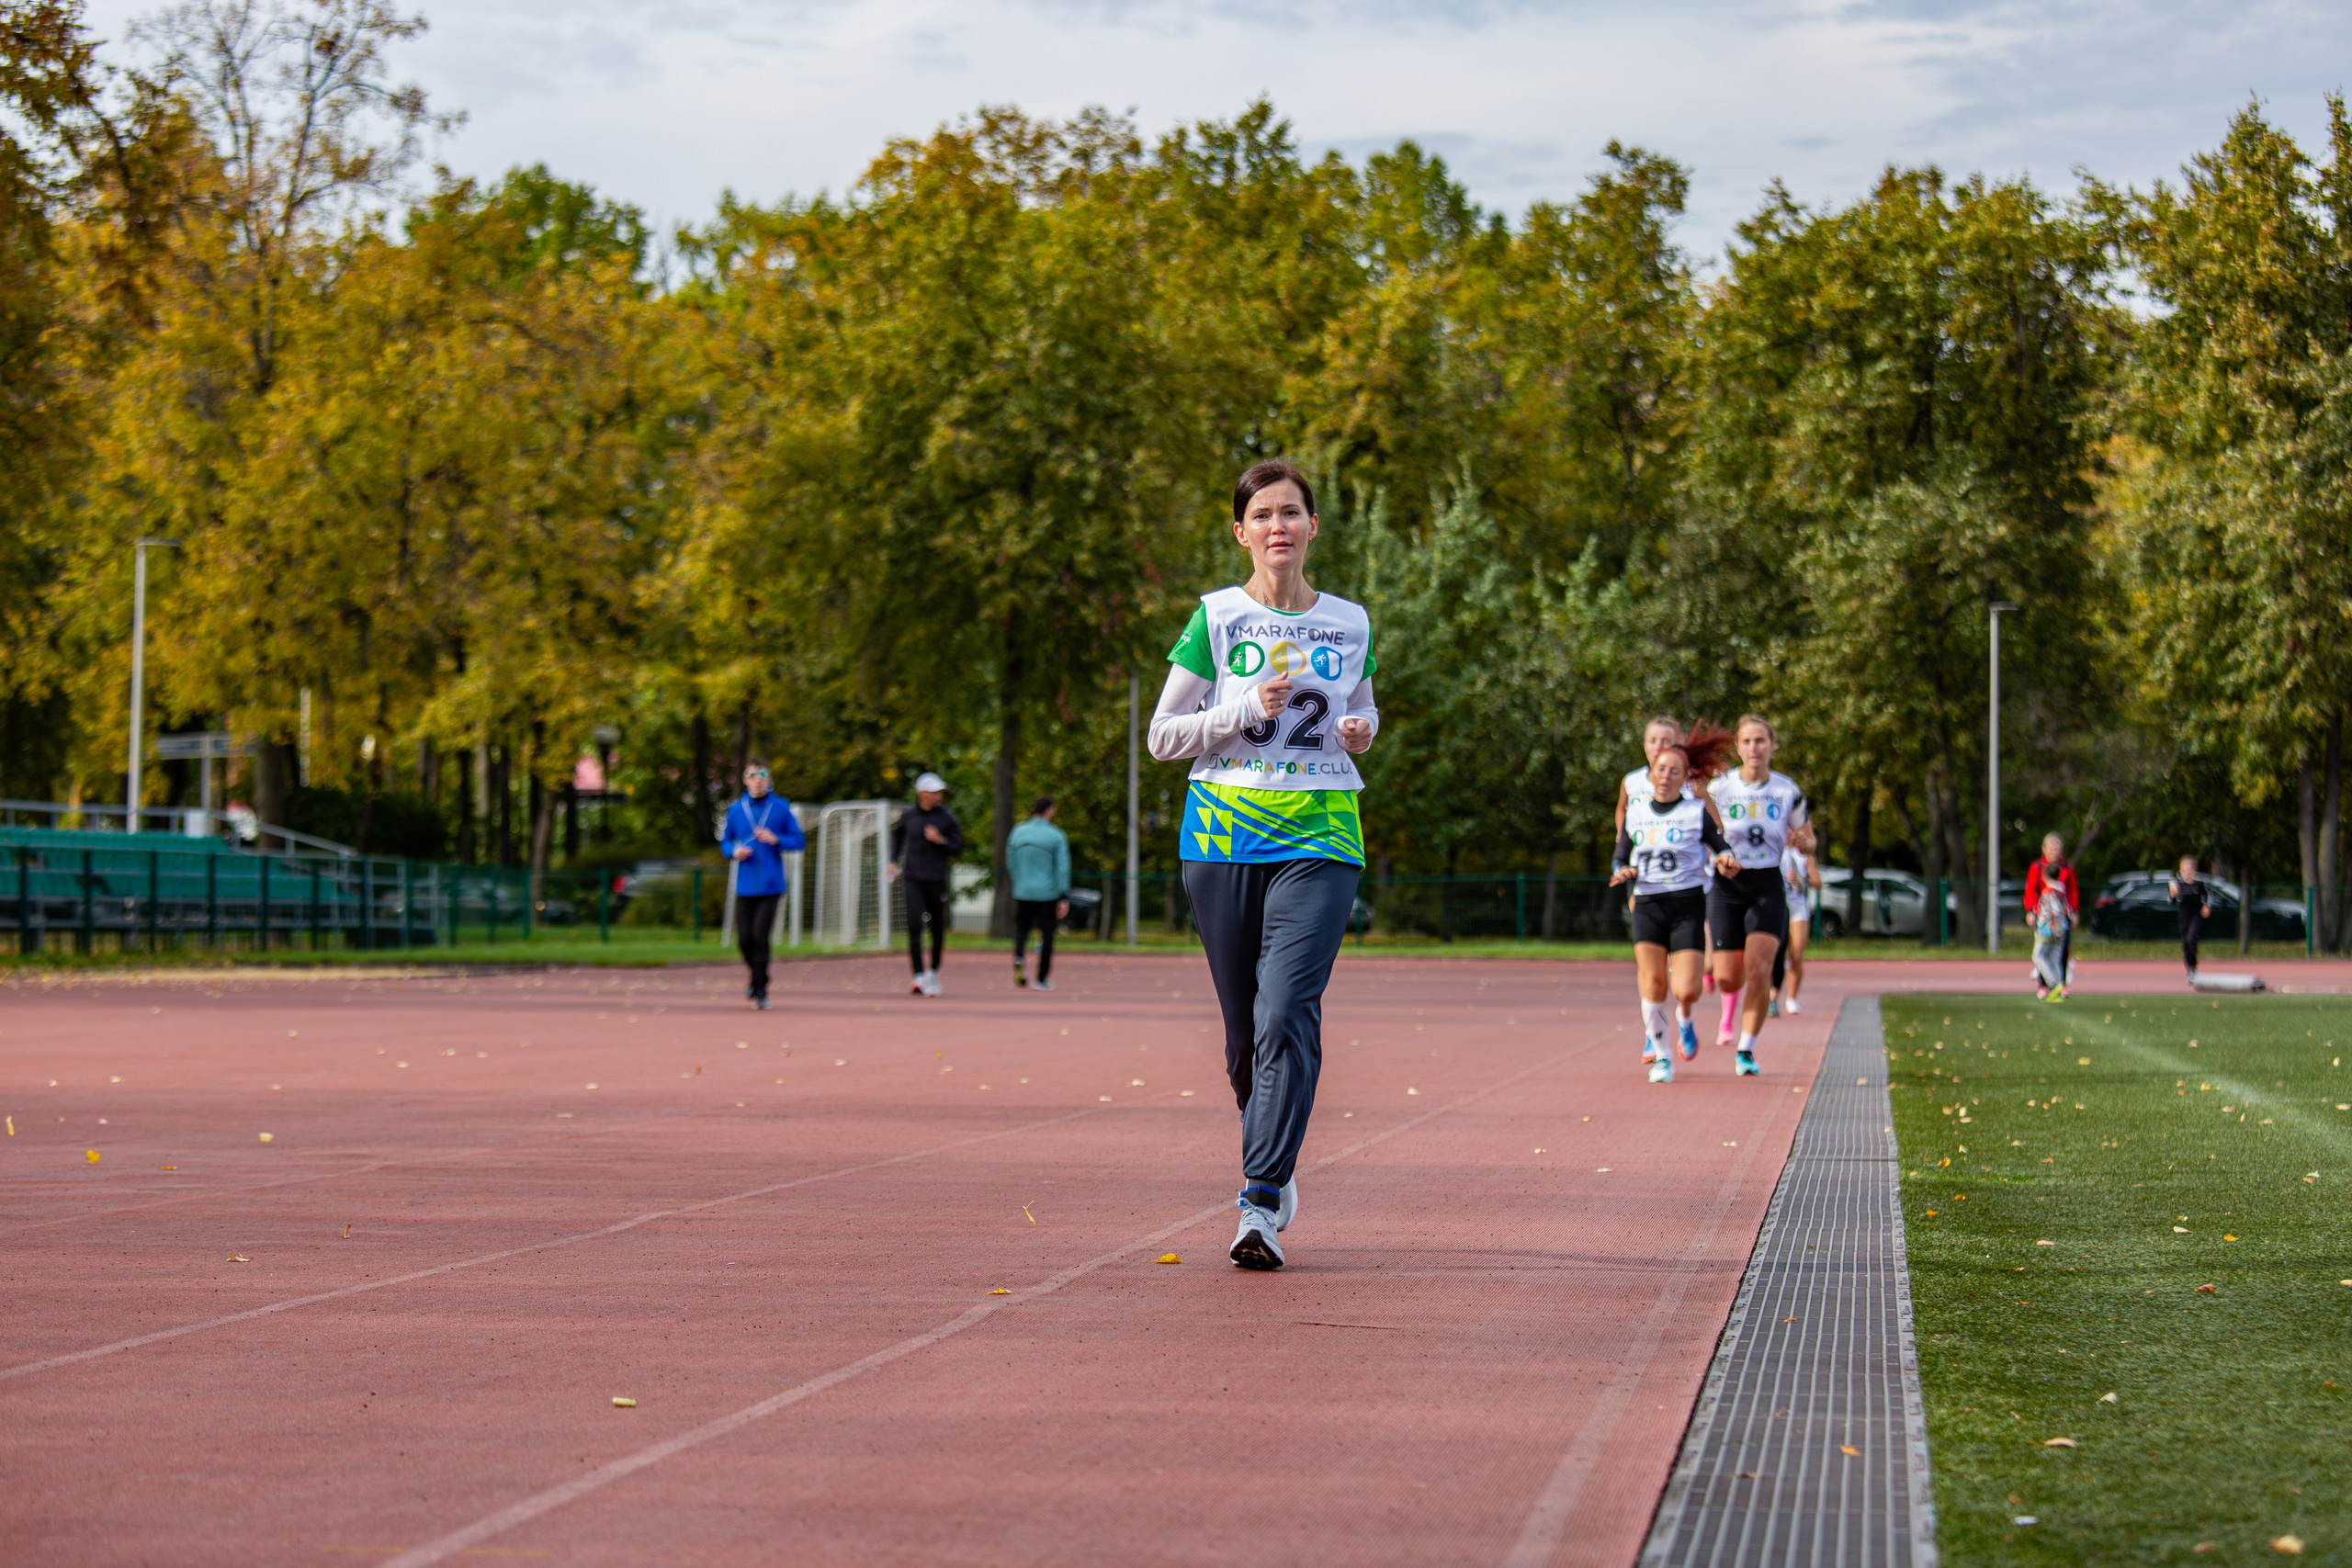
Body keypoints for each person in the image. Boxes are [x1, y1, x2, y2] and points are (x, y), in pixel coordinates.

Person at [1148, 458, 1377, 1272]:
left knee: (1286, 1010)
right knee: (1246, 1037)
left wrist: (1361, 733)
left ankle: (1260, 1199)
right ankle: (1271, 1148)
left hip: (1321, 834)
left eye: (1292, 512)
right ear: (1241, 532)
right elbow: (1163, 736)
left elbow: (1363, 708)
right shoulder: (1216, 617)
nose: (1279, 525)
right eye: (1263, 515)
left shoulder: (1350, 622)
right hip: (1220, 838)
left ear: (1314, 526)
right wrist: (1244, 707)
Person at [1610, 731, 1739, 1083]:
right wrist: (1622, 870)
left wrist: (1726, 858)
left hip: (1687, 906)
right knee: (1652, 983)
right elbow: (1620, 854)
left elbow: (1720, 845)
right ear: (1651, 772)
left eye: (1675, 771)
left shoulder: (1695, 813)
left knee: (1687, 989)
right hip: (1649, 904)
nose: (1666, 775)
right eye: (1661, 768)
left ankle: (1684, 1019)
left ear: (1685, 778)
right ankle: (1662, 1056)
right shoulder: (1636, 812)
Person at [1708, 716, 1811, 1077]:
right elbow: (1701, 832)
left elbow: (1809, 838)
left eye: (1761, 741)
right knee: (1728, 979)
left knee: (1760, 970)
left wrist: (1802, 841)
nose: (1754, 748)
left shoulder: (1787, 790)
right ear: (1738, 747)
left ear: (1773, 745)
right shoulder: (1720, 789)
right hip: (1726, 886)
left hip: (1767, 883)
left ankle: (1746, 1048)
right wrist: (1715, 855)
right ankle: (1722, 987)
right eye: (1747, 741)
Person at [719, 759, 805, 1010]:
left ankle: (760, 990)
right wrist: (734, 851)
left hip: (771, 885)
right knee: (744, 939)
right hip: (744, 885)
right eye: (752, 775)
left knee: (760, 936)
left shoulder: (780, 807)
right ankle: (759, 976)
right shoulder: (736, 810)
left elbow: (798, 841)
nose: (757, 779)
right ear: (745, 779)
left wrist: (777, 839)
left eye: (762, 774)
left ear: (768, 779)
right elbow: (725, 842)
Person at [888, 773, 963, 997]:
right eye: (934, 792)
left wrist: (941, 840)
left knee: (937, 929)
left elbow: (957, 849)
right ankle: (918, 976)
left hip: (936, 880)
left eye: (940, 792)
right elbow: (898, 837)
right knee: (914, 925)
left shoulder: (947, 819)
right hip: (913, 877)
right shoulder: (909, 815)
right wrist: (893, 860)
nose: (939, 796)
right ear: (922, 794)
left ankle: (933, 972)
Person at [1007, 795, 1071, 991]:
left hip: (1023, 890)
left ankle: (1019, 958)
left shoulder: (1018, 831)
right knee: (1047, 934)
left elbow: (1010, 861)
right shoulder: (1056, 835)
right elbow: (1062, 868)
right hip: (1047, 893)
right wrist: (1063, 895)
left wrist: (1019, 880)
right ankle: (1041, 978)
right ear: (1050, 810)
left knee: (1021, 930)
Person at [2023, 834, 2080, 998]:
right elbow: (2031, 890)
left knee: (2057, 954)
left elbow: (2073, 892)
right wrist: (2030, 911)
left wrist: (2074, 912)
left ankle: (2058, 984)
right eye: (2052, 848)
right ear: (2044, 849)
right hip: (2044, 920)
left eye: (2058, 849)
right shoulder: (2037, 867)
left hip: (2058, 921)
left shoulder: (2066, 869)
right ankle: (2045, 984)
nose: (2055, 852)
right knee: (2043, 954)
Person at [1774, 832, 1823, 1016]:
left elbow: (1818, 882)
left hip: (1797, 906)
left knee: (1796, 953)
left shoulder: (1804, 854)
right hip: (1777, 905)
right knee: (1777, 953)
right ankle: (1773, 996)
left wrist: (1801, 880)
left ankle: (1792, 998)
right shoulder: (1773, 849)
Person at [2169, 854, 2211, 986]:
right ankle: (2190, 967)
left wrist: (2207, 906)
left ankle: (2193, 968)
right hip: (2184, 918)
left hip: (2196, 917)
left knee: (2191, 940)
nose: (2187, 872)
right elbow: (2171, 901)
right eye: (2184, 870)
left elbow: (2207, 898)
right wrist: (2173, 895)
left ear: (2194, 870)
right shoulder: (2177, 884)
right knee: (2186, 944)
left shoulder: (2200, 884)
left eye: (2190, 869)